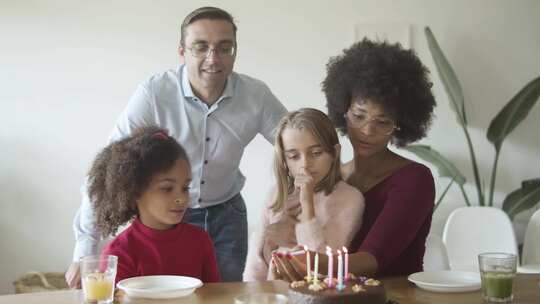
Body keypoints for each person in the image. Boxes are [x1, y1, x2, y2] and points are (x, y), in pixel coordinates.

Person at [66, 6, 287, 287]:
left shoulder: (256, 95)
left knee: (224, 296)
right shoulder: (154, 94)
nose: (213, 58)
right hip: (165, 220)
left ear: (235, 51)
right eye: (200, 47)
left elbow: (297, 147)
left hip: (228, 217)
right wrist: (86, 248)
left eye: (224, 48)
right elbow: (110, 167)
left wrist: (287, 212)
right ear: (182, 52)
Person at [272, 39, 436, 280]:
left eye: (383, 122)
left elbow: (371, 261)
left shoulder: (415, 180)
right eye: (359, 116)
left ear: (400, 125)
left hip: (393, 296)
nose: (367, 131)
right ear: (343, 111)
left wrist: (305, 260)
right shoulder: (330, 176)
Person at [243, 108, 365, 281]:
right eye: (294, 156)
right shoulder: (276, 195)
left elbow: (323, 270)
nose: (305, 164)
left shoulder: (350, 199)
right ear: (284, 161)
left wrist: (307, 206)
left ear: (335, 153)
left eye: (316, 153)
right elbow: (254, 267)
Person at [88, 126, 219, 283]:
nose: (181, 199)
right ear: (135, 191)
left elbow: (214, 296)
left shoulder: (201, 241)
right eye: (167, 189)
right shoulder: (119, 253)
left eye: (185, 188)